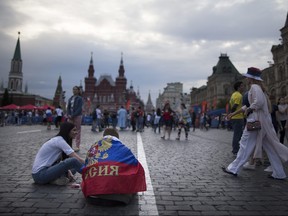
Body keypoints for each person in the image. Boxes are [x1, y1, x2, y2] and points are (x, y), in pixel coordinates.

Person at [222, 67, 288, 180]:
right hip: (261, 122)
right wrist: (234, 114)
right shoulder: (259, 88)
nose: (246, 78)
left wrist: (249, 109)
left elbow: (258, 103)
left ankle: (233, 169)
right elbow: (250, 105)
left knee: (245, 144)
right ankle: (279, 173)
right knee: (270, 147)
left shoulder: (254, 87)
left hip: (255, 121)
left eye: (247, 76)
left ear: (251, 78)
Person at [81, 128, 146, 205]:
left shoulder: (93, 147)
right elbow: (137, 168)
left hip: (91, 196)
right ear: (117, 137)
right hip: (117, 199)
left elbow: (85, 167)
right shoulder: (123, 149)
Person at [229, 81, 245, 156]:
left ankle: (239, 149)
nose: (243, 87)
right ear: (238, 87)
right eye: (242, 86)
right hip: (238, 117)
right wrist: (231, 114)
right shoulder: (239, 95)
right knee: (237, 134)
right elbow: (235, 105)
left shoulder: (233, 94)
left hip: (235, 117)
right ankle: (235, 150)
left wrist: (230, 114)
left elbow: (231, 105)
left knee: (239, 134)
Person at [67, 86, 83, 152]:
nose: (74, 90)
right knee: (69, 130)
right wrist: (68, 114)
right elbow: (68, 107)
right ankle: (69, 144)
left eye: (76, 89)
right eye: (73, 89)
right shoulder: (70, 98)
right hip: (70, 116)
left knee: (77, 131)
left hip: (77, 116)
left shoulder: (80, 98)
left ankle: (77, 146)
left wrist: (73, 115)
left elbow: (79, 108)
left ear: (78, 91)